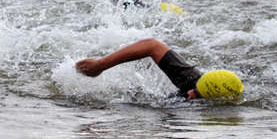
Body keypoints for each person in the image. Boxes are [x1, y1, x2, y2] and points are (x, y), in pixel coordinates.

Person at [75, 38, 243, 101]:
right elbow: (152, 45)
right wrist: (100, 65)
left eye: (198, 95)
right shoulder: (192, 80)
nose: (191, 93)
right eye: (195, 88)